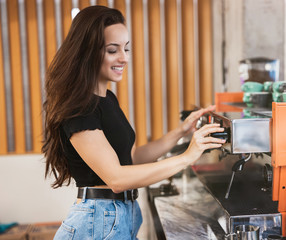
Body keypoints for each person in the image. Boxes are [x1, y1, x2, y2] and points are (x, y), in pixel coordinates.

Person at [42, 5, 225, 240]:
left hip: (121, 217)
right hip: (97, 223)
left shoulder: (107, 99)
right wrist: (187, 157)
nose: (124, 58)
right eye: (112, 50)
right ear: (88, 52)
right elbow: (117, 179)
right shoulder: (79, 109)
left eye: (126, 49)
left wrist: (181, 132)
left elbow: (133, 158)